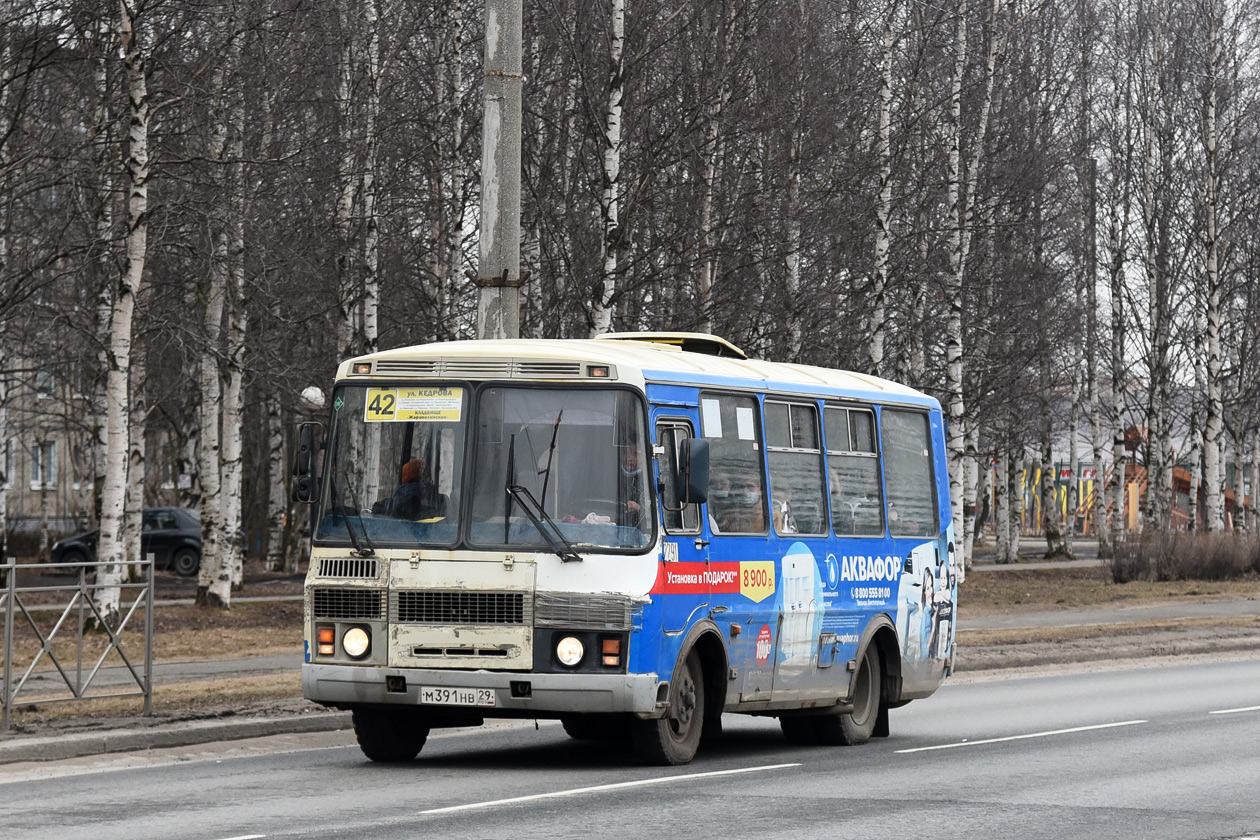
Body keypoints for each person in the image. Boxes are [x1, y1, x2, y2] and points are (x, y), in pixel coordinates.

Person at [373, 458, 443, 520]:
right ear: (428, 479)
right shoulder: (442, 503)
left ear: (405, 479)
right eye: (429, 476)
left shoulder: (390, 505)